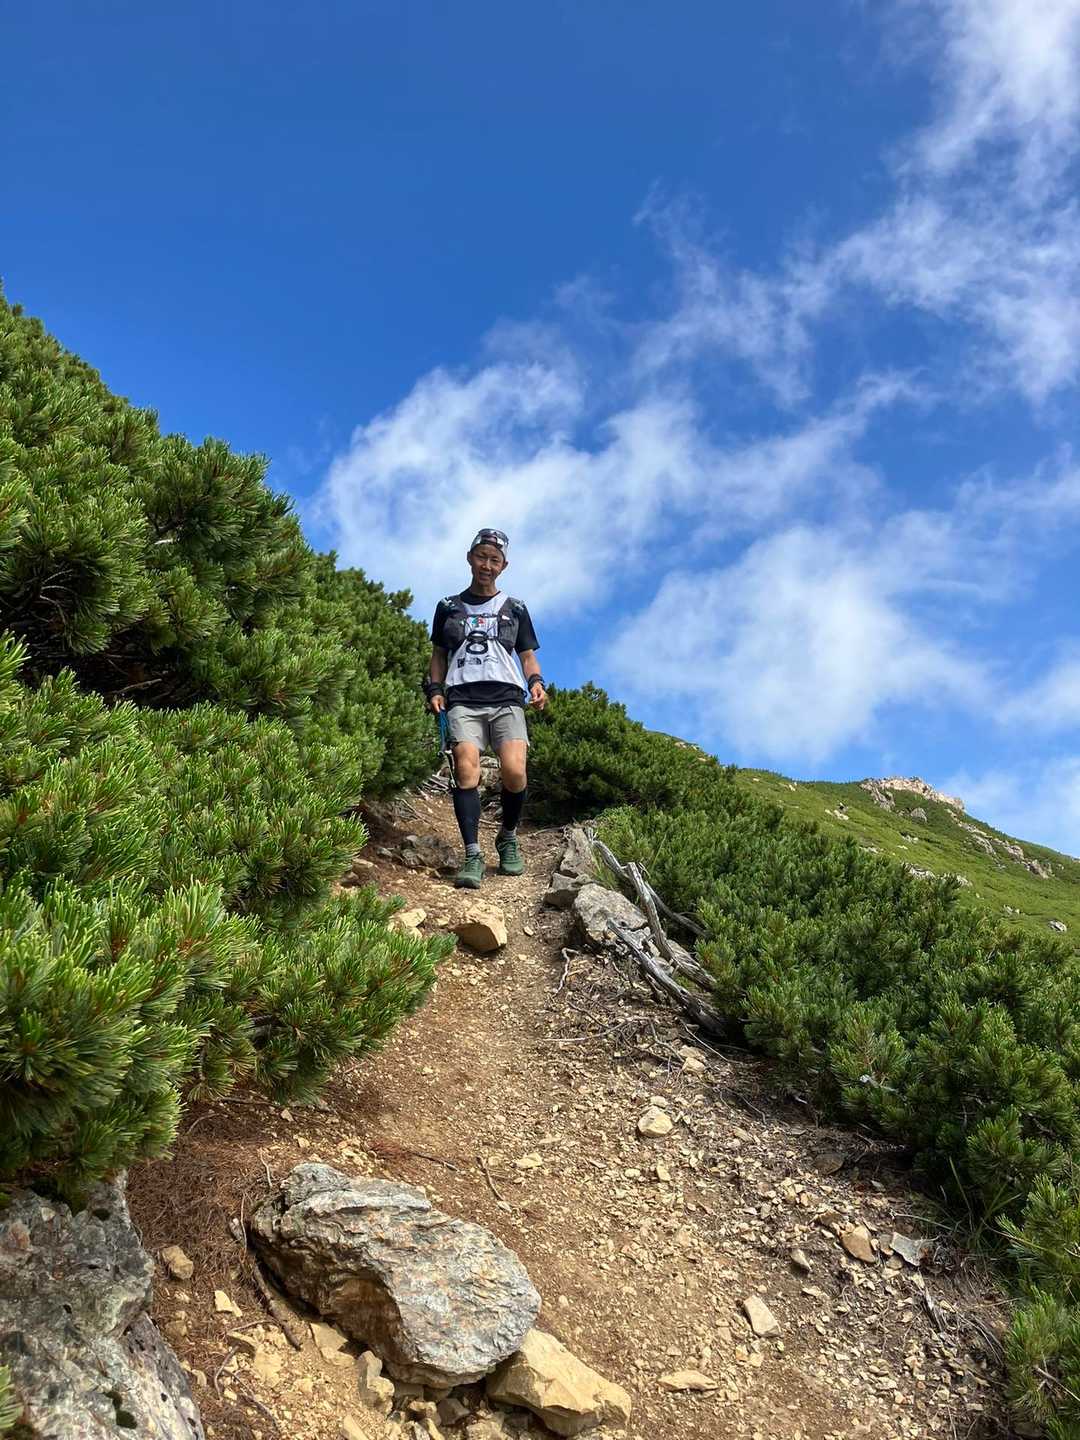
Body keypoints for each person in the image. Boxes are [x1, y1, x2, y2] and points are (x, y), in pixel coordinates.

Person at [424, 528, 547, 888]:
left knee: (515, 771)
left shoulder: (516, 608)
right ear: (470, 558)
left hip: (507, 697)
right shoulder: (448, 607)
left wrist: (536, 682)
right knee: (466, 770)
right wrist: (435, 689)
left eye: (495, 560)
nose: (487, 565)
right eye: (481, 557)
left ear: (503, 566)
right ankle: (472, 853)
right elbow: (439, 654)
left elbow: (527, 655)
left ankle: (507, 836)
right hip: (462, 697)